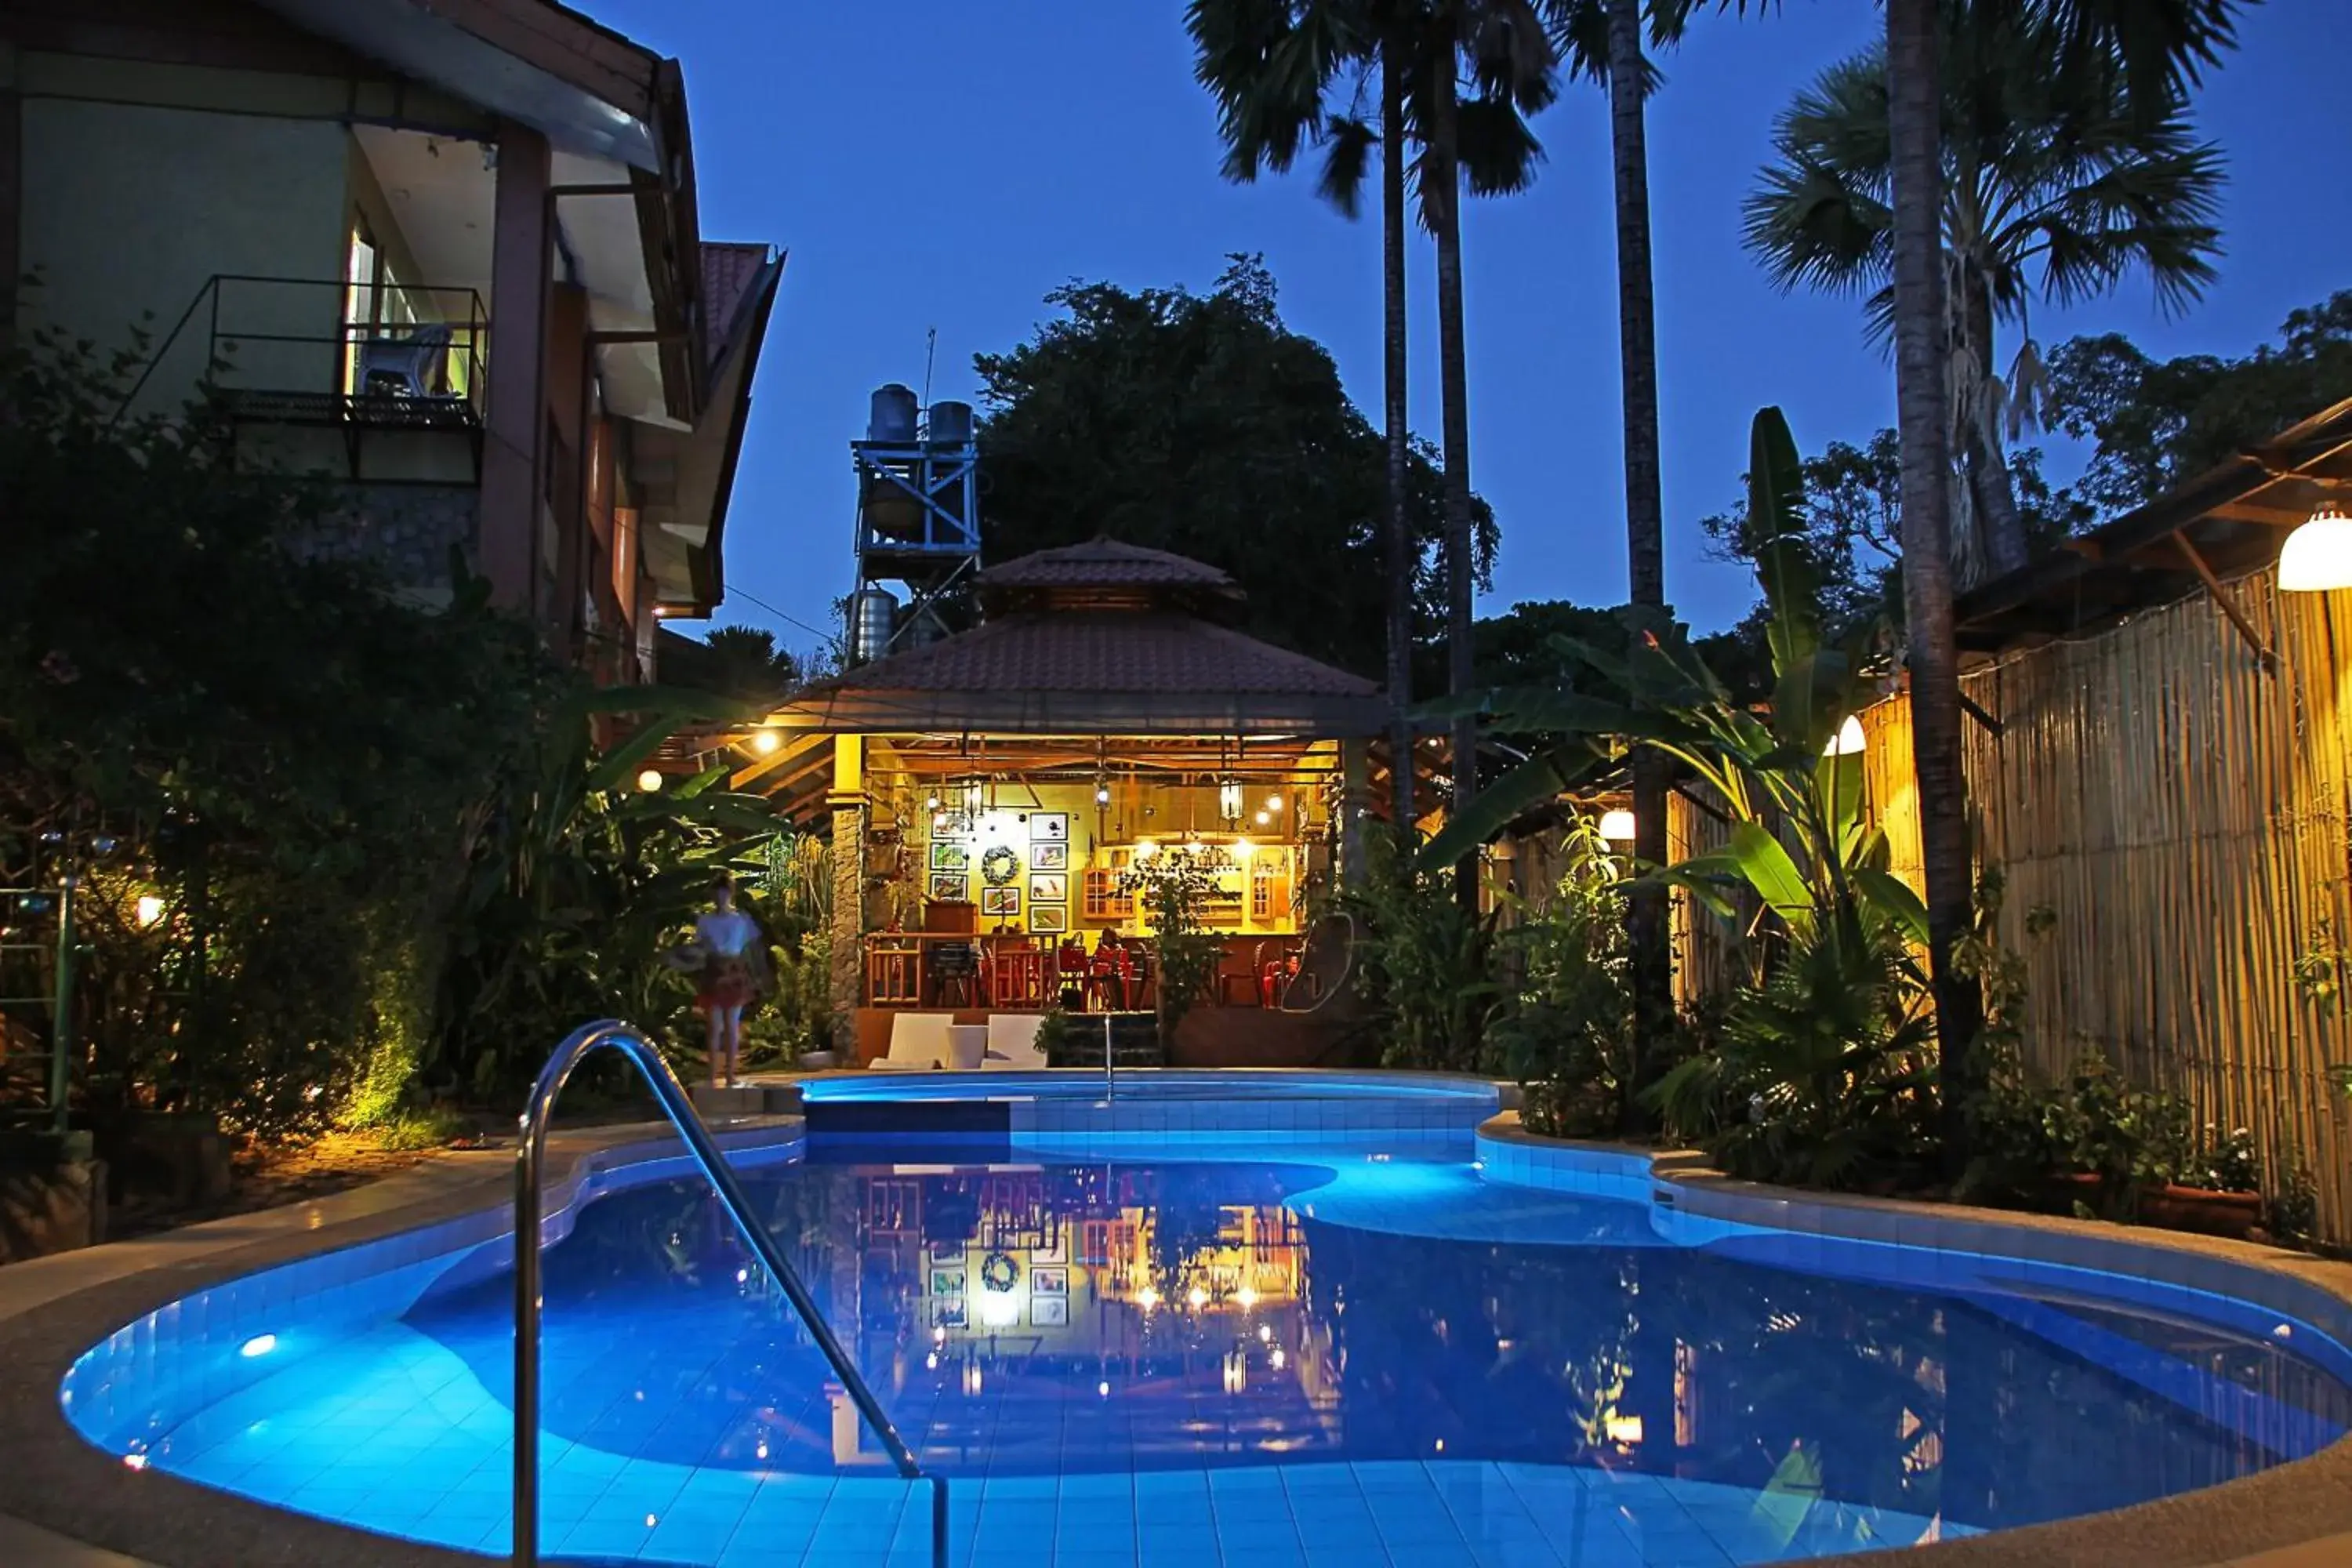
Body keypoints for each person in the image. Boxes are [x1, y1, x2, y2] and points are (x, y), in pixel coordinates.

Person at [693, 873, 764, 1089]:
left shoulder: (741, 920)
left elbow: (750, 947)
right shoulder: (705, 920)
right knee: (714, 1025)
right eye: (718, 893)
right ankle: (712, 1075)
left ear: (730, 894)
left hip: (734, 969)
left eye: (724, 893)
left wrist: (756, 973)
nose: (721, 897)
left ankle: (731, 1075)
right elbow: (701, 946)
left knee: (732, 1025)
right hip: (715, 969)